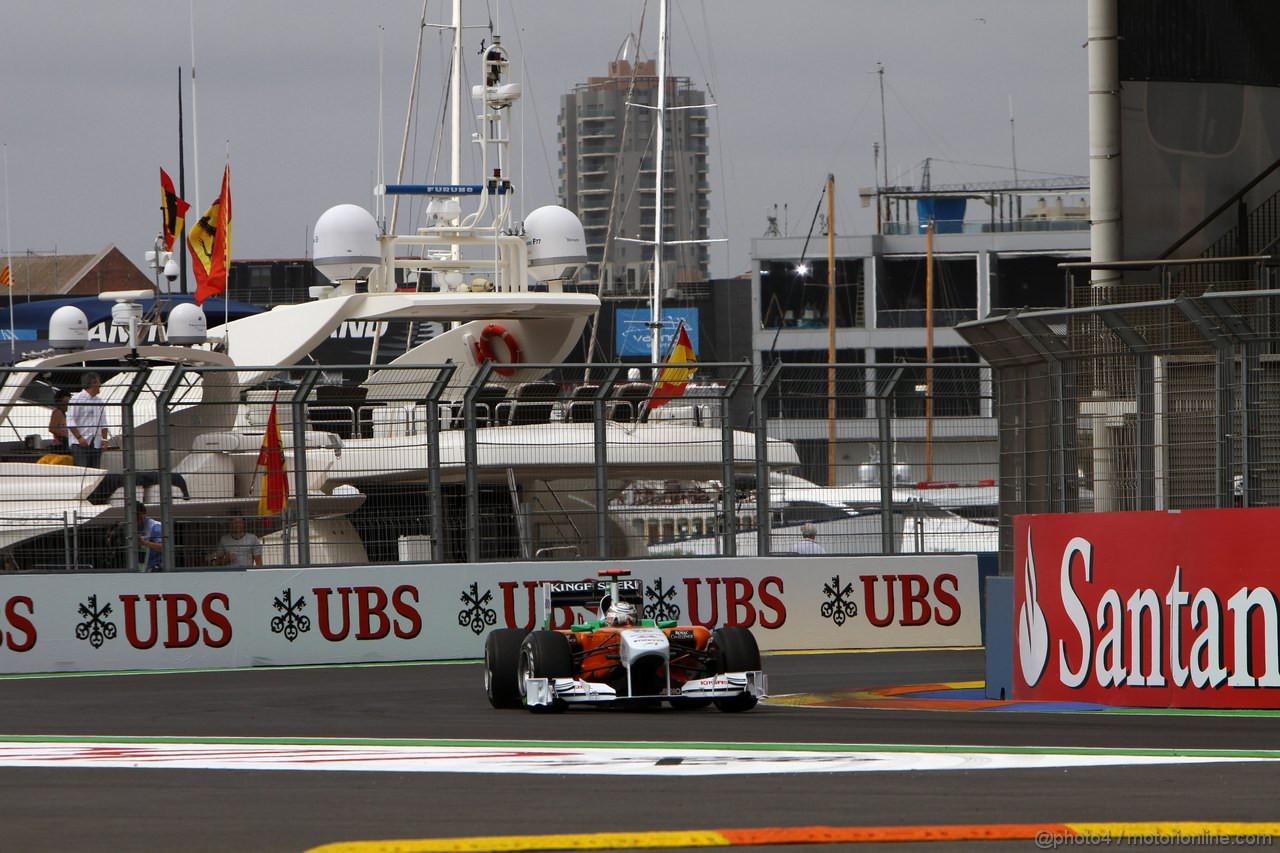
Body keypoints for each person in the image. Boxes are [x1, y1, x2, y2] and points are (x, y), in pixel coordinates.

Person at [67, 372, 109, 468]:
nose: (100, 385)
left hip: (96, 442)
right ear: (92, 383)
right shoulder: (76, 399)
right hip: (80, 443)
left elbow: (103, 422)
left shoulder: (99, 401)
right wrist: (79, 438)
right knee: (82, 469)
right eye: (99, 382)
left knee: (95, 470)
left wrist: (105, 439)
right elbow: (70, 421)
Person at [133, 502, 164, 572]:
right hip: (140, 569)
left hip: (154, 569)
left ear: (143, 513)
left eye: (138, 515)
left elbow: (164, 547)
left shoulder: (155, 527)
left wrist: (144, 543)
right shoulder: (132, 527)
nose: (136, 519)